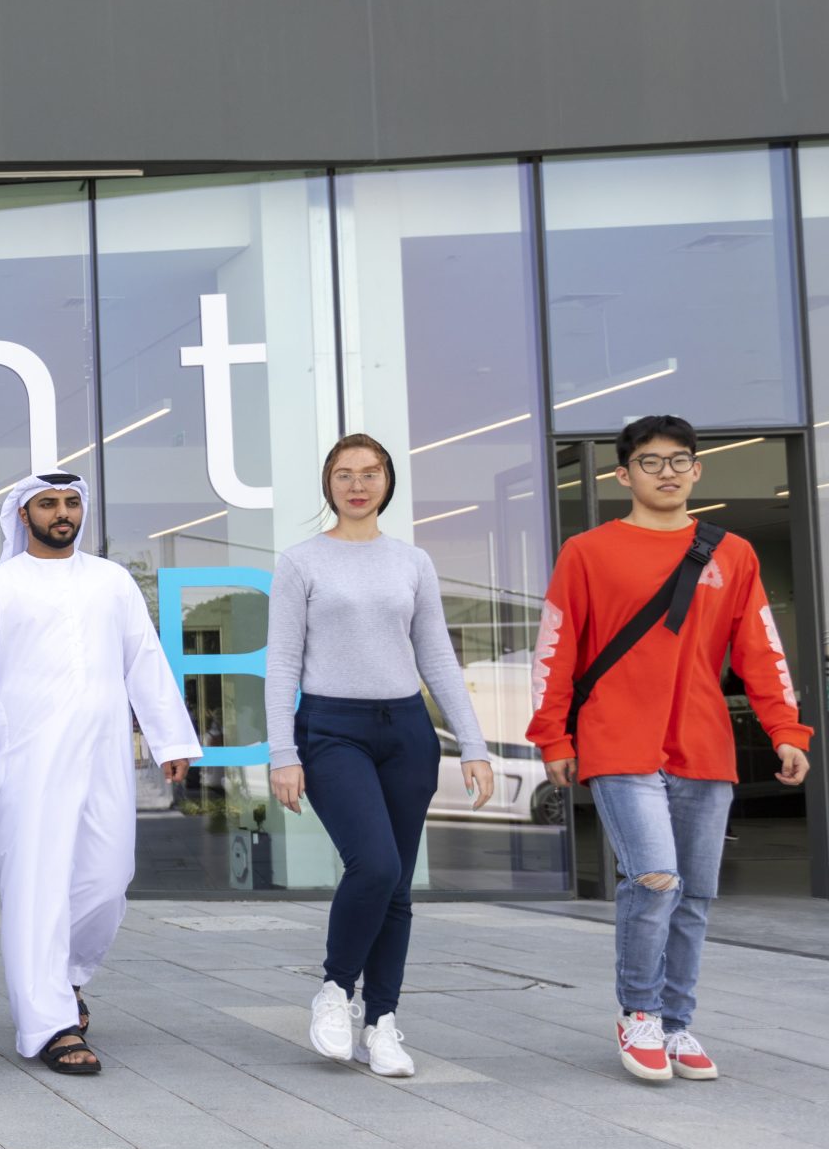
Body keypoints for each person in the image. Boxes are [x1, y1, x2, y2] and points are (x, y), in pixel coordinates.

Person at [530, 414, 810, 1084]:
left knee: (695, 896)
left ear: (696, 469)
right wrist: (553, 736)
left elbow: (761, 651)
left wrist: (785, 729)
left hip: (703, 745)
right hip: (618, 741)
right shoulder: (588, 552)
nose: (667, 472)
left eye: (679, 460)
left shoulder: (732, 553)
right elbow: (556, 649)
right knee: (655, 878)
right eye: (650, 462)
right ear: (623, 474)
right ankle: (639, 1012)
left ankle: (677, 1022)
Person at [267, 435, 495, 1079]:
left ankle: (382, 1021)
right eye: (344, 474)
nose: (357, 485)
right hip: (332, 729)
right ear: (328, 484)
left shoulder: (412, 562)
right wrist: (283, 751)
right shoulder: (301, 562)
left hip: (407, 731)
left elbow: (437, 656)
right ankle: (335, 990)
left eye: (370, 474)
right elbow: (282, 661)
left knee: (397, 886)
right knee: (375, 864)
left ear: (387, 482)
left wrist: (473, 744)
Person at [0, 474, 199, 1076]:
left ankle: (64, 979)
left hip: (103, 755)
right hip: (24, 763)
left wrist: (170, 737)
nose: (62, 513)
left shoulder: (112, 580)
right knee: (36, 890)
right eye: (48, 504)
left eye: (71, 503)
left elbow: (144, 658)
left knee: (109, 877)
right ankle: (51, 1025)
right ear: (24, 515)